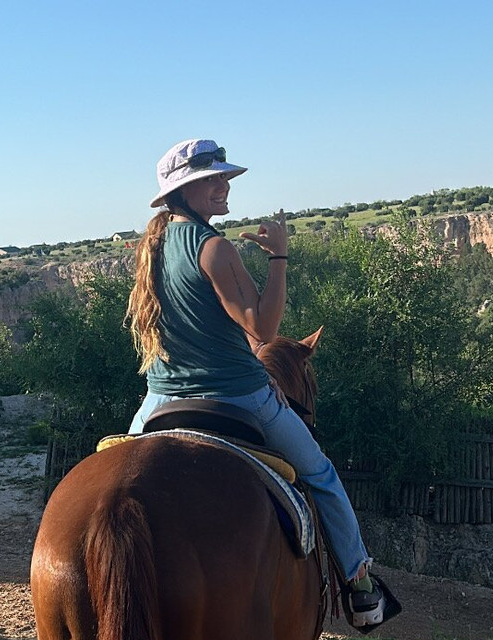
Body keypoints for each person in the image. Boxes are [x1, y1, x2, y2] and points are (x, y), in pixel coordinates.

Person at [125, 137, 387, 630]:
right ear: (186, 190)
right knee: (322, 475)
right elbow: (261, 330)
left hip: (159, 398)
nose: (224, 185)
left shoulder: (151, 247)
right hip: (239, 394)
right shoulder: (214, 247)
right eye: (213, 179)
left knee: (115, 468)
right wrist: (279, 258)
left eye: (224, 177)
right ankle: (361, 587)